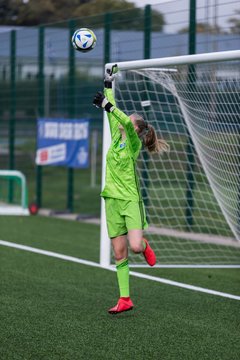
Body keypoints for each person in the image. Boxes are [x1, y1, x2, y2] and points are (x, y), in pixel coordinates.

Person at [93, 65, 169, 314]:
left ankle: (146, 246)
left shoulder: (133, 142)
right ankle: (125, 299)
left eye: (130, 119)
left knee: (135, 247)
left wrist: (109, 107)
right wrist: (108, 83)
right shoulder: (117, 134)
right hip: (111, 200)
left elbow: (119, 115)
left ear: (136, 128)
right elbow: (115, 114)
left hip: (129, 200)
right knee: (119, 252)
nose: (124, 118)